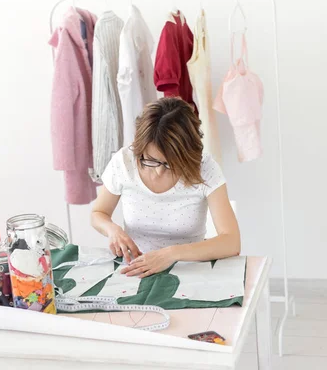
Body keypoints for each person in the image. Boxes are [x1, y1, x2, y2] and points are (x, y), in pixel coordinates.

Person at [91, 97, 240, 278]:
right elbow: (98, 213)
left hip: (188, 270)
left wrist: (170, 254)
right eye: (151, 161)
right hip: (135, 269)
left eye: (170, 164)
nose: (160, 171)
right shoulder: (124, 162)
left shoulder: (204, 168)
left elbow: (232, 242)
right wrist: (112, 230)